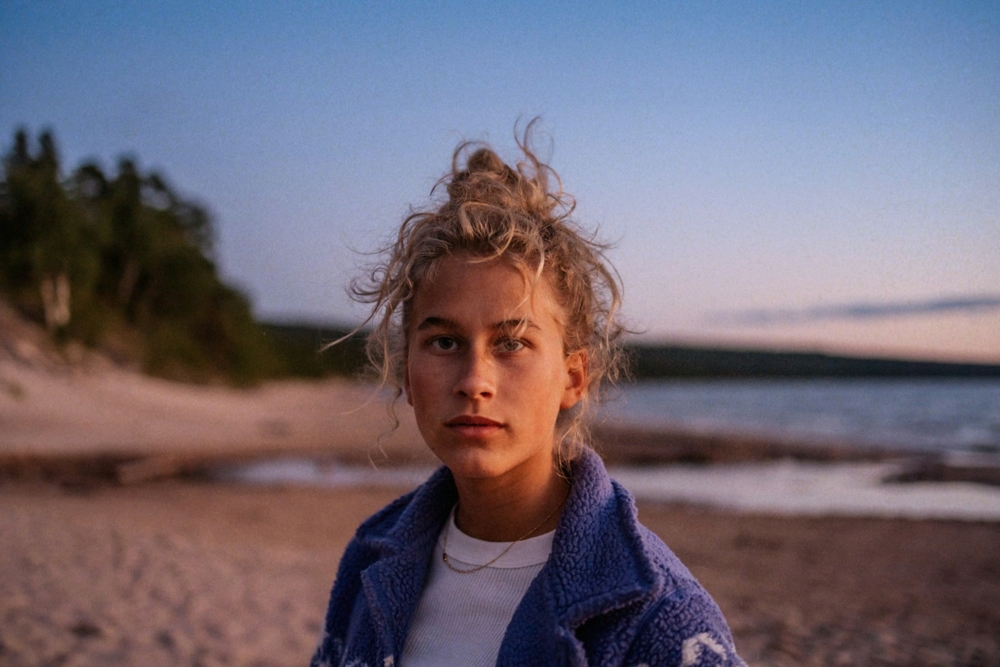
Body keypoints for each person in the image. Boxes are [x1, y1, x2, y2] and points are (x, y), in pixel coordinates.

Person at [310, 124, 745, 667]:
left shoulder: (655, 617)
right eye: (444, 342)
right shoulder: (370, 562)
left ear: (573, 377)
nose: (475, 380)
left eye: (511, 343)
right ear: (406, 373)